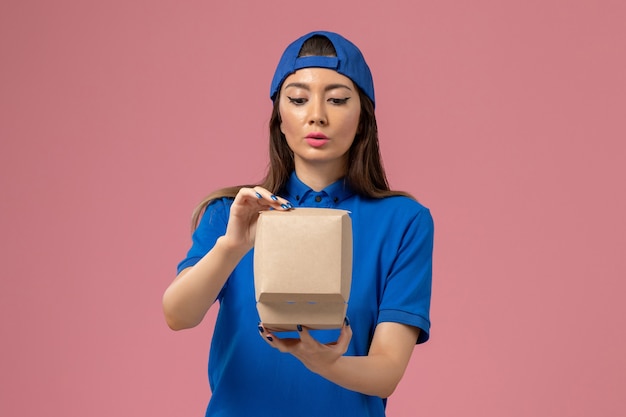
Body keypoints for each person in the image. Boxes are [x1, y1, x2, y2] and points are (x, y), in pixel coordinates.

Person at [162, 31, 434, 416]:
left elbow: (387, 370)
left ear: (362, 118)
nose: (316, 115)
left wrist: (323, 361)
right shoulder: (232, 212)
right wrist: (233, 245)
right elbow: (178, 314)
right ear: (280, 118)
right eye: (298, 99)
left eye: (338, 99)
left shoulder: (404, 222)